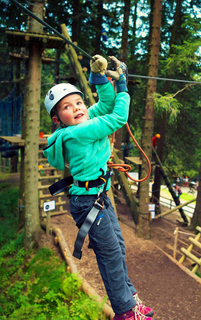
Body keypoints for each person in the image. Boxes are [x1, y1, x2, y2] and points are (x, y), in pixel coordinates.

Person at [43, 55, 154, 320]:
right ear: (58, 119)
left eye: (79, 102)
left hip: (97, 197)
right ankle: (125, 312)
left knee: (118, 247)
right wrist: (123, 85)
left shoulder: (81, 122)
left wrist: (98, 77)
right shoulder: (76, 132)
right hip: (88, 201)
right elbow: (117, 116)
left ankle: (130, 299)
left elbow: (104, 104)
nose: (78, 108)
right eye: (68, 107)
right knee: (111, 253)